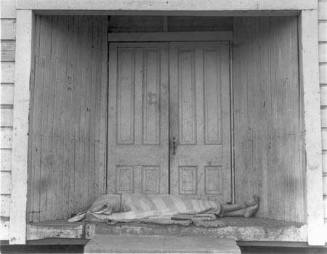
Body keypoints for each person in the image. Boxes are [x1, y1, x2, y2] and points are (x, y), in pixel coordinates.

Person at [68, 193, 259, 224]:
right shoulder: (94, 211)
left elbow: (109, 206)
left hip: (146, 200)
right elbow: (118, 215)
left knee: (196, 204)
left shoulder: (101, 200)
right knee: (197, 208)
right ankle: (242, 209)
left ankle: (243, 209)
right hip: (144, 207)